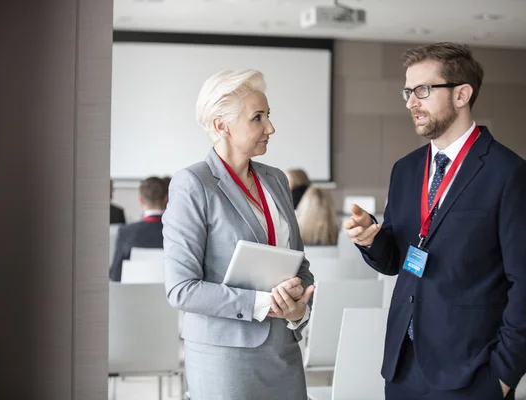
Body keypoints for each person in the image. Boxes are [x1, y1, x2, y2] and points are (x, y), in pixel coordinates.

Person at [345, 42, 526, 399]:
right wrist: (370, 239)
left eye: (423, 90)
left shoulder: (509, 173)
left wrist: (505, 373)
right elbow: (397, 260)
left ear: (462, 94)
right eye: (408, 92)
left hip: (473, 369)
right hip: (403, 364)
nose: (411, 102)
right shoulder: (406, 169)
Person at [162, 69, 315, 399]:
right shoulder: (193, 184)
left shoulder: (275, 179)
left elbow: (299, 264)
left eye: (268, 116)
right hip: (225, 358)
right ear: (221, 126)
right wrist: (265, 302)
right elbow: (181, 289)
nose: (270, 128)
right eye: (257, 118)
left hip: (284, 349)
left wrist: (298, 308)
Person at [109, 176, 168, 282]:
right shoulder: (176, 232)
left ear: (141, 200)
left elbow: (115, 275)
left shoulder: (126, 232)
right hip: (167, 295)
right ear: (166, 199)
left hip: (132, 295)